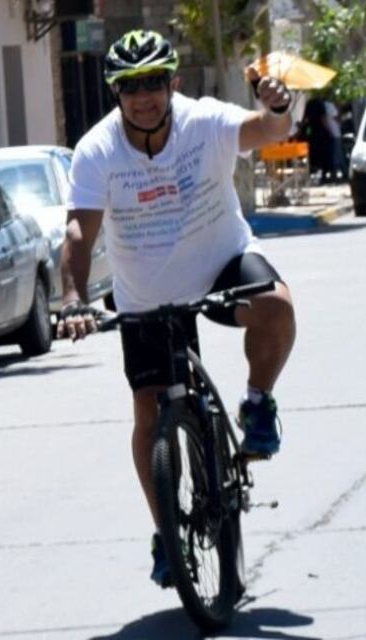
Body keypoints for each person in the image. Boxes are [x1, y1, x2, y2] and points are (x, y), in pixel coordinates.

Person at [56, 30, 296, 588]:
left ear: (173, 84)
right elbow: (78, 232)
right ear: (117, 93)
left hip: (220, 264)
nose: (145, 97)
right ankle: (167, 529)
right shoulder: (97, 150)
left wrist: (279, 109)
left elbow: (265, 130)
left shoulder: (203, 122)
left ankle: (258, 404)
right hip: (146, 295)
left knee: (276, 306)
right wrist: (72, 299)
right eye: (132, 87)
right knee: (148, 414)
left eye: (155, 84)